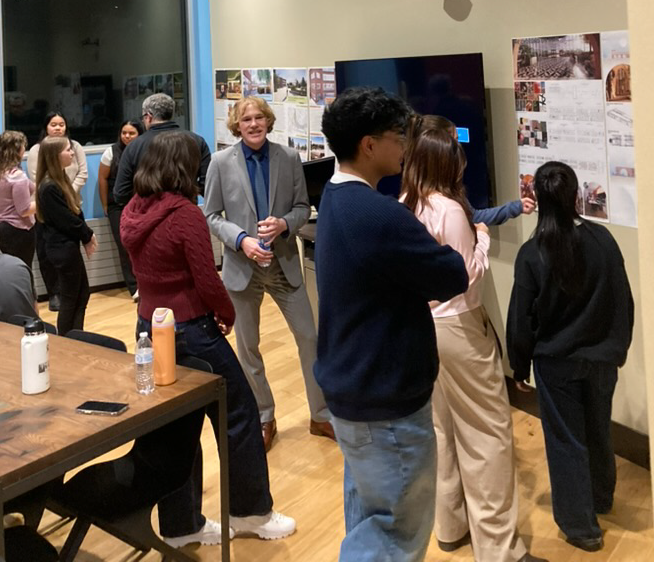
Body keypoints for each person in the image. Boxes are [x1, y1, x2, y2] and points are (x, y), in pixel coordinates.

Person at [314, 87, 468, 562]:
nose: (405, 146)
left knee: (368, 519)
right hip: (387, 405)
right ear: (368, 145)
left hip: (351, 392)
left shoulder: (334, 196)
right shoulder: (379, 215)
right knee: (395, 535)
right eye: (397, 136)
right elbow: (452, 273)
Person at [120, 131, 296, 547]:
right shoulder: (184, 214)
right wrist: (226, 313)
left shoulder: (132, 210)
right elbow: (206, 279)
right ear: (182, 167)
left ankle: (181, 526)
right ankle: (251, 512)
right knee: (238, 415)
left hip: (148, 326)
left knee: (175, 428)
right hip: (192, 329)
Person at [401, 116, 545, 562]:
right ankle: (500, 549)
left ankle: (450, 525)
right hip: (461, 327)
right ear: (446, 161)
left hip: (425, 330)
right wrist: (482, 240)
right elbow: (465, 276)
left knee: (443, 427)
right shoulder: (448, 209)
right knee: (488, 435)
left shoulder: (407, 201)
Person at [506, 161, 634, 553]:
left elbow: (520, 319)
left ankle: (581, 527)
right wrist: (618, 350)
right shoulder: (602, 241)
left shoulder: (532, 254)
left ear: (538, 200)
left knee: (566, 441)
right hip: (601, 361)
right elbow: (623, 301)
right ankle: (600, 499)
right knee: (598, 430)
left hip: (555, 363)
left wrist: (519, 364)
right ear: (576, 195)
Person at [204, 95, 333, 451]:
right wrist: (241, 240)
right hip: (243, 269)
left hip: (284, 265)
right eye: (246, 119)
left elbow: (303, 208)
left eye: (259, 117)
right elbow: (212, 215)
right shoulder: (219, 163)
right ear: (237, 125)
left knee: (309, 338)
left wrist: (284, 224)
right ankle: (264, 415)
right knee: (249, 348)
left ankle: (320, 415)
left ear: (268, 121)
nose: (254, 124)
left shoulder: (289, 158)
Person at [35, 137, 97, 336]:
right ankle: (67, 338)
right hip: (61, 249)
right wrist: (87, 235)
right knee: (71, 297)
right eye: (68, 150)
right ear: (55, 156)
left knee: (81, 294)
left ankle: (76, 335)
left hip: (68, 246)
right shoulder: (49, 187)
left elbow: (75, 211)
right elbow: (67, 220)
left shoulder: (60, 180)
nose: (72, 153)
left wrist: (87, 234)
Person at [27, 113, 88, 312]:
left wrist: (68, 190)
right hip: (51, 207)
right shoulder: (39, 151)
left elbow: (83, 173)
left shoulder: (76, 147)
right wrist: (61, 192)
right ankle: (54, 292)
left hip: (70, 202)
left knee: (80, 292)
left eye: (62, 124)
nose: (58, 128)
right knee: (47, 253)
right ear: (46, 127)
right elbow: (36, 176)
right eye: (54, 124)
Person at [113, 93, 210, 204]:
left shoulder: (134, 147)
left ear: (148, 117)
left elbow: (121, 194)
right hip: (186, 214)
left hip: (148, 215)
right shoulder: (197, 141)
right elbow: (207, 186)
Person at [97, 119, 143, 300]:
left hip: (141, 204)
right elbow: (102, 179)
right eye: (124, 133)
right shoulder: (111, 152)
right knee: (124, 245)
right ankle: (134, 287)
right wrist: (105, 205)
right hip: (118, 206)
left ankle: (146, 283)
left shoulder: (145, 150)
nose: (127, 136)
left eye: (131, 133)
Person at [0, 131, 36, 276]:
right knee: (24, 272)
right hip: (19, 230)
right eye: (22, 147)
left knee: (11, 272)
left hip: (1, 228)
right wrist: (44, 202)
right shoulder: (17, 177)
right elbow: (24, 210)